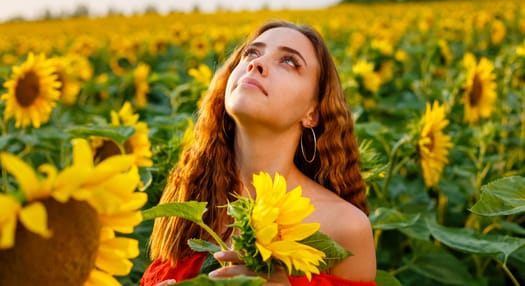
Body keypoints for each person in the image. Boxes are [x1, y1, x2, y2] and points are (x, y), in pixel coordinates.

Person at [141, 20, 377, 286]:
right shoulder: (193, 193)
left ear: (312, 112)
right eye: (251, 53)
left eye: (289, 62)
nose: (256, 64)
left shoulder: (346, 227)